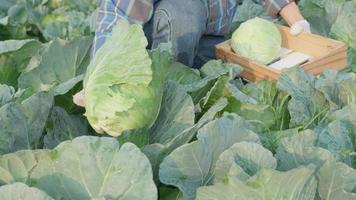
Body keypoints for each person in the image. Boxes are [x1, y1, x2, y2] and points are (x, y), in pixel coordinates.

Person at [73, 0, 311, 132]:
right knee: (183, 9)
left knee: (228, 78)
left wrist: (297, 20)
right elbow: (117, 11)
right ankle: (167, 103)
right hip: (163, 44)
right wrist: (99, 77)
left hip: (212, 37)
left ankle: (193, 95)